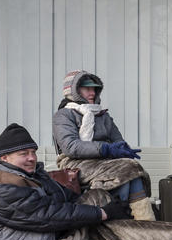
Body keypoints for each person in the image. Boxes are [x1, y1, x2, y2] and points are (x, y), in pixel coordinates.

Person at [0, 123, 131, 240]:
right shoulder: (1, 188)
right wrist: (101, 213)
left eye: (33, 152)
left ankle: (132, 235)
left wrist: (103, 206)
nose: (31, 158)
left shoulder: (29, 174)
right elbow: (47, 216)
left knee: (97, 199)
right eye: (23, 154)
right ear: (4, 158)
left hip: (39, 239)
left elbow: (67, 199)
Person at [52, 70, 154, 220]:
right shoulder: (63, 115)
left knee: (133, 169)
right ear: (74, 90)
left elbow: (118, 140)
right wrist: (105, 148)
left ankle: (143, 221)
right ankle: (123, 217)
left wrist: (123, 149)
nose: (92, 93)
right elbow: (71, 147)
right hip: (74, 163)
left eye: (94, 89)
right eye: (87, 89)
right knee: (126, 171)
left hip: (104, 161)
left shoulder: (103, 115)